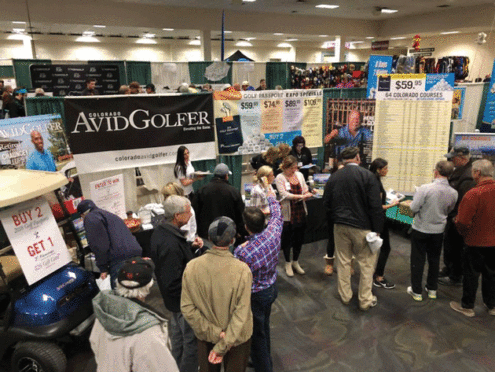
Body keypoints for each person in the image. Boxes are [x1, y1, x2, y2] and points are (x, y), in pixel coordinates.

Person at [181, 217, 253, 372]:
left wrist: (215, 333)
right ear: (233, 240)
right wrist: (224, 343)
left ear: (209, 238)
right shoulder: (242, 270)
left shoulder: (191, 267)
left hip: (206, 337)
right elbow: (241, 313)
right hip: (237, 339)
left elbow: (187, 308)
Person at [90, 257, 179, 372]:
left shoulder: (103, 314)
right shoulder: (149, 332)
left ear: (118, 283)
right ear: (149, 286)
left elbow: (95, 343)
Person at [323, 147, 383, 310]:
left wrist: (335, 220)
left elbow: (326, 203)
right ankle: (365, 300)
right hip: (363, 227)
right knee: (366, 264)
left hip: (340, 226)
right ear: (357, 158)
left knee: (343, 262)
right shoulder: (368, 176)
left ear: (343, 160)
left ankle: (345, 296)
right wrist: (377, 229)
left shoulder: (334, 177)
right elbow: (375, 206)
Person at [150, 195, 202, 372]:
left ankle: (175, 367)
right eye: (188, 212)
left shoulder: (162, 232)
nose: (190, 215)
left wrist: (191, 248)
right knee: (190, 341)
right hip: (182, 303)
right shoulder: (170, 244)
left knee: (178, 338)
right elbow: (173, 279)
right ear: (177, 216)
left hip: (173, 302)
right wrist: (190, 303)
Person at [235, 187, 283, 372]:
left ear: (246, 227)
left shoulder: (243, 251)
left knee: (257, 335)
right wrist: (271, 196)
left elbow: (238, 275)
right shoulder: (274, 231)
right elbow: (277, 212)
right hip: (271, 287)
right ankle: (262, 358)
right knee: (264, 327)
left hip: (255, 295)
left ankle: (263, 366)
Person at [407, 161, 458, 302]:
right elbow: (449, 210)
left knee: (418, 259)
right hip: (438, 231)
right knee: (434, 260)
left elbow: (413, 208)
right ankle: (432, 289)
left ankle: (416, 291)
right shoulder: (453, 192)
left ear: (436, 172)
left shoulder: (425, 188)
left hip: (421, 228)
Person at [450, 159, 495, 317]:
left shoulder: (473, 194)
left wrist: (463, 233)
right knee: (491, 274)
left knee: (471, 274)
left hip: (475, 242)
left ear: (477, 173)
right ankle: (492, 305)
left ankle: (467, 307)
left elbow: (462, 221)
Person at [77, 199, 143, 289]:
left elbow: (100, 245)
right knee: (137, 291)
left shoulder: (90, 218)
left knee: (123, 296)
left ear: (82, 215)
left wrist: (103, 268)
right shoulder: (108, 214)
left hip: (120, 259)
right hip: (135, 254)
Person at [439, 145, 476, 286]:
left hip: (457, 218)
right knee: (449, 245)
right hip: (452, 215)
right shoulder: (461, 171)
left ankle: (455, 276)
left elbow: (464, 202)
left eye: (453, 158)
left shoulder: (468, 177)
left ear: (461, 158)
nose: (451, 161)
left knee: (456, 247)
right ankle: (449, 269)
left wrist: (457, 219)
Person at [275, 155, 313, 277]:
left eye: (296, 168)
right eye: (292, 168)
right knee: (287, 239)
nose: (294, 170)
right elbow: (284, 194)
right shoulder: (280, 178)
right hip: (288, 214)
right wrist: (301, 197)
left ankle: (295, 261)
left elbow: (305, 189)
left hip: (300, 211)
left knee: (299, 238)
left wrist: (308, 193)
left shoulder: (300, 175)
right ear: (285, 167)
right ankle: (287, 263)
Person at [193, 163, 245, 243]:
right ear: (226, 176)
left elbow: (195, 212)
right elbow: (240, 214)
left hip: (206, 235)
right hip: (227, 234)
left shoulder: (201, 191)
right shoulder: (233, 192)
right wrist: (240, 233)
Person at [369, 158, 399, 289]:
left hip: (374, 219)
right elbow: (377, 207)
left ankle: (374, 274)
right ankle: (379, 277)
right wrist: (392, 205)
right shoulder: (375, 183)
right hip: (378, 220)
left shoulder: (372, 181)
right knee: (385, 248)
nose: (387, 171)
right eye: (385, 168)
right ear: (378, 169)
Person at [323, 160, 344, 276]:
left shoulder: (350, 182)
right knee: (332, 239)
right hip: (333, 216)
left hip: (347, 217)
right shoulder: (331, 182)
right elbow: (326, 201)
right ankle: (329, 263)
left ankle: (347, 264)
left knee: (348, 242)